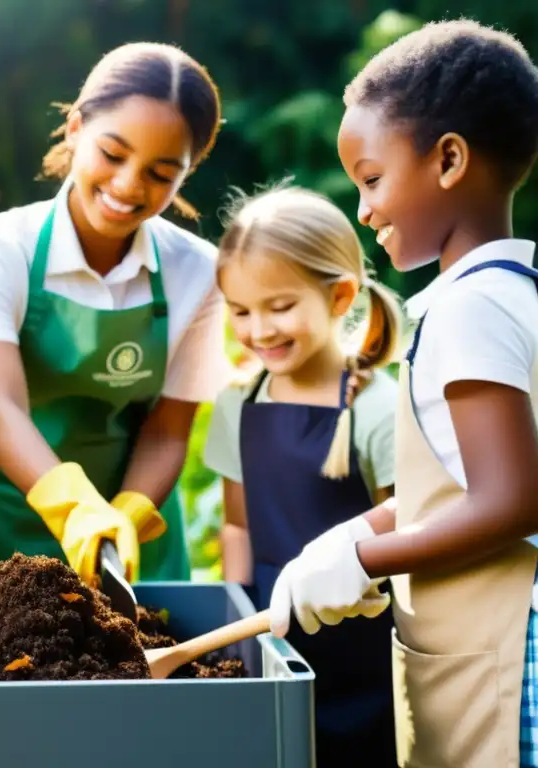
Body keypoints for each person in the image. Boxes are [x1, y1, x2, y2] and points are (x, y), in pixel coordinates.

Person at [266, 20, 538, 768]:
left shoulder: (470, 307)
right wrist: (353, 534)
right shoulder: (510, 291)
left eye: (372, 178)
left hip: (510, 657)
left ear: (449, 159)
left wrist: (368, 560)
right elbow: (454, 485)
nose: (364, 210)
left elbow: (513, 500)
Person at [0, 42, 230, 588]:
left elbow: (167, 431)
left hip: (127, 532)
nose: (129, 186)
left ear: (188, 172)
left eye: (161, 173)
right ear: (75, 128)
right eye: (113, 154)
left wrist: (128, 515)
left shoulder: (199, 273)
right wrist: (74, 509)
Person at [202, 184, 401, 766]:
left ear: (340, 296)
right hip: (272, 636)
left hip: (365, 649)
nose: (259, 330)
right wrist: (240, 630)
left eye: (280, 306)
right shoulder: (238, 403)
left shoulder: (378, 407)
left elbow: (406, 532)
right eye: (240, 311)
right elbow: (238, 528)